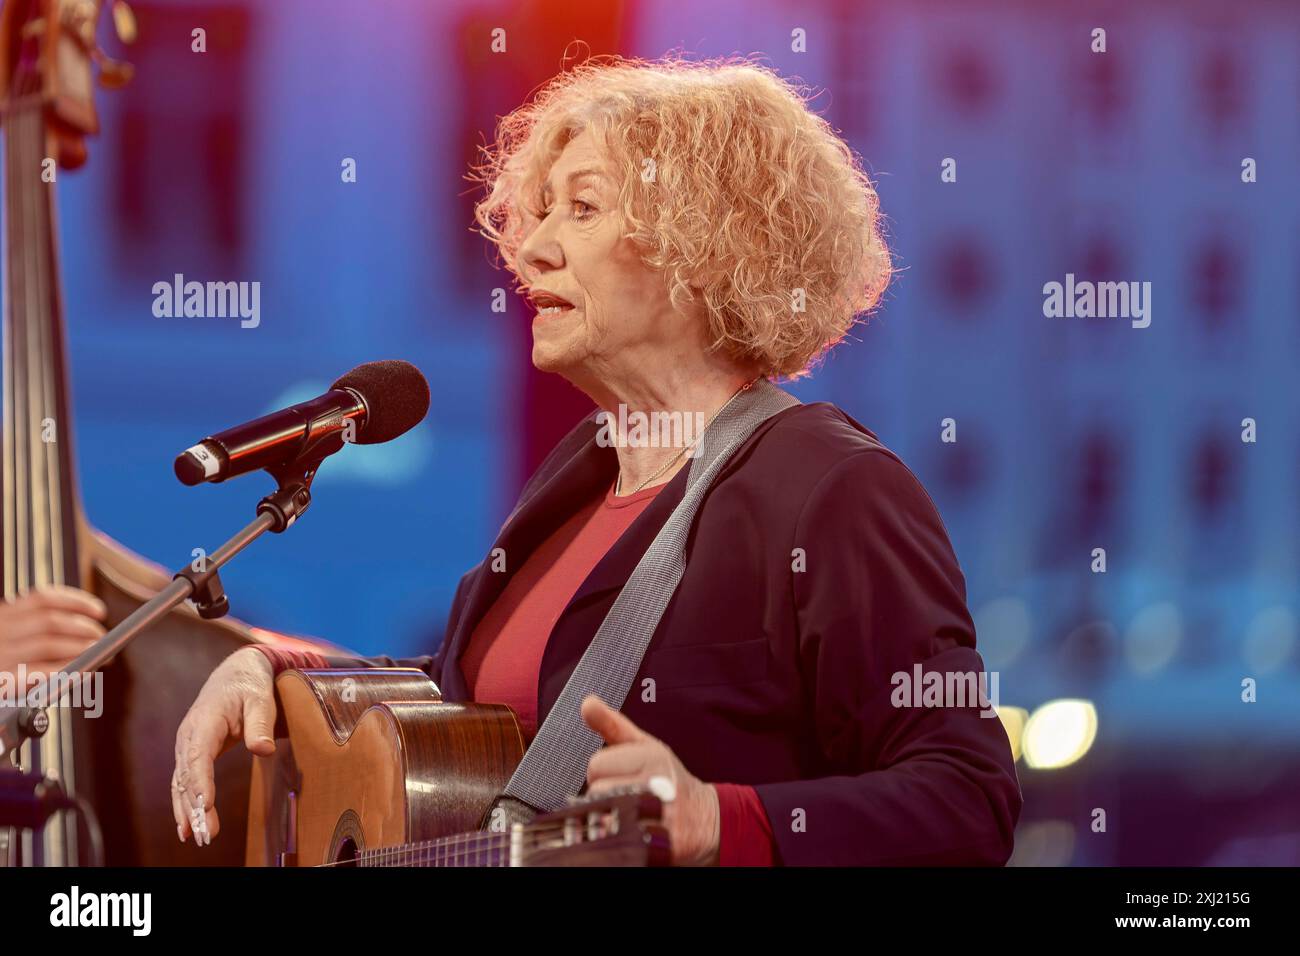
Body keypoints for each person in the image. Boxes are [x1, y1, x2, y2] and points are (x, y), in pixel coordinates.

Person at [170, 56, 1022, 866]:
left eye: (582, 209)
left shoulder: (831, 488)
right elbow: (467, 708)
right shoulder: (579, 475)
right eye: (537, 212)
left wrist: (713, 821)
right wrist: (277, 666)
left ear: (704, 249)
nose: (532, 247)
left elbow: (967, 798)